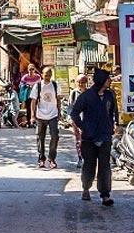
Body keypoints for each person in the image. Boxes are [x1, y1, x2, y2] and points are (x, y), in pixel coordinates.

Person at [71, 68, 118, 206]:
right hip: (89, 137)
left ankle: (105, 195)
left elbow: (114, 111)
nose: (110, 80)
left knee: (104, 166)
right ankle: (86, 188)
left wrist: (115, 125)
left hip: (105, 136)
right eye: (108, 78)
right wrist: (82, 126)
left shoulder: (110, 95)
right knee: (89, 165)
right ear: (101, 81)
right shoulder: (86, 96)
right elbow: (74, 113)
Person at [29, 66, 61, 169]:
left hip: (53, 115)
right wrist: (32, 116)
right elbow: (33, 101)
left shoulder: (55, 85)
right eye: (45, 75)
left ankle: (51, 158)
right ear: (42, 75)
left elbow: (58, 99)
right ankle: (41, 159)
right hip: (40, 116)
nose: (47, 77)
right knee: (40, 138)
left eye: (49, 75)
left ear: (51, 75)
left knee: (55, 136)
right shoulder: (37, 86)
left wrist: (59, 112)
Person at [68, 74, 88, 168]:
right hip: (77, 120)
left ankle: (88, 159)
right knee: (79, 141)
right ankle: (80, 158)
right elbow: (70, 107)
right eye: (79, 82)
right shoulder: (74, 93)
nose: (81, 84)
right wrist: (70, 118)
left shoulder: (90, 93)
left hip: (87, 121)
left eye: (83, 82)